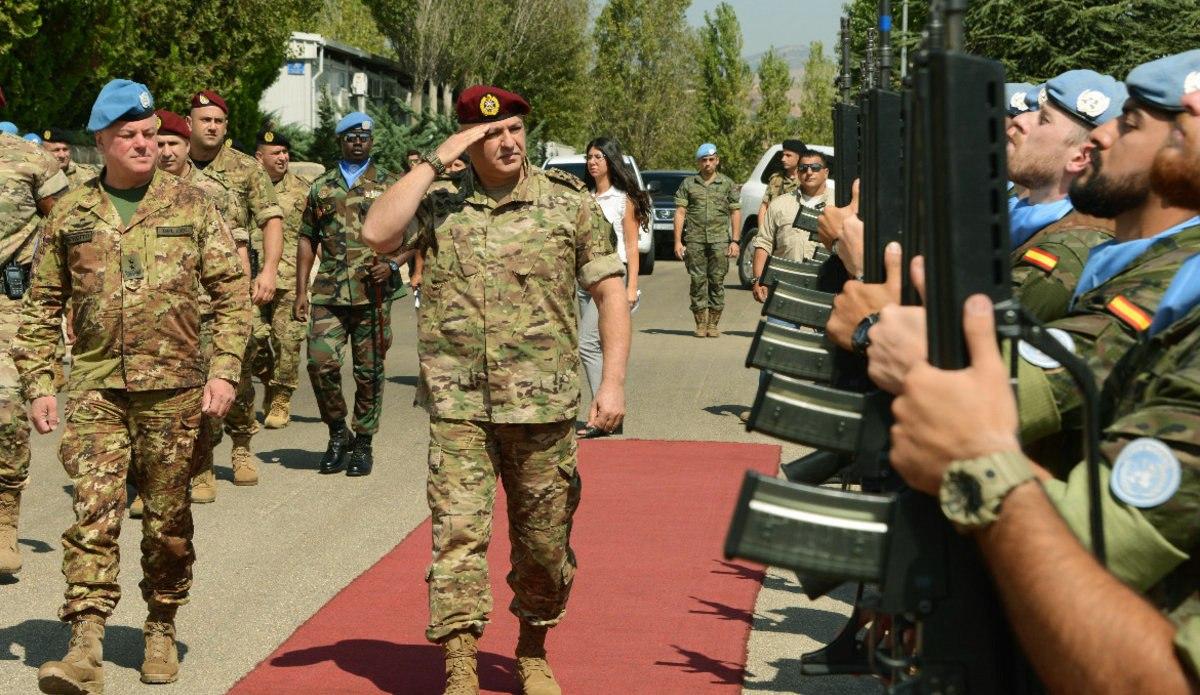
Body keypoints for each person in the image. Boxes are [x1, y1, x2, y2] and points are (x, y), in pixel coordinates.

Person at [360, 84, 630, 695]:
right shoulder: (440, 205)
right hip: (460, 406)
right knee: (457, 536)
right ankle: (459, 660)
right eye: (490, 134)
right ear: (468, 141)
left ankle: (532, 646)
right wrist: (437, 159)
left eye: (514, 129)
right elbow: (377, 233)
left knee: (543, 542)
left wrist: (610, 384)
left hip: (543, 406)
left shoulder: (569, 205)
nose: (507, 142)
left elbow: (610, 293)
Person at [12, 79, 249, 693]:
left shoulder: (192, 205)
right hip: (95, 388)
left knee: (167, 523)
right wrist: (41, 380)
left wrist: (223, 370)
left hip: (174, 390)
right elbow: (41, 305)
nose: (145, 144)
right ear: (101, 142)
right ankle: (85, 641)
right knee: (93, 511)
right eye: (130, 136)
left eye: (149, 134)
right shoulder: (70, 213)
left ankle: (161, 623)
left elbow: (232, 295)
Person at [294, 111, 406, 477]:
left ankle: (364, 442)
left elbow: (416, 233)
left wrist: (391, 263)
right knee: (319, 363)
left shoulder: (392, 184)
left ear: (372, 141)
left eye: (364, 137)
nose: (357, 142)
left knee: (369, 372)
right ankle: (337, 431)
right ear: (340, 141)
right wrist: (300, 291)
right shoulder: (322, 187)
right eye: (350, 137)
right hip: (328, 291)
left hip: (372, 292)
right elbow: (307, 237)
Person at [187, 89, 284, 498]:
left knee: (238, 377)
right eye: (205, 119)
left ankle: (242, 447)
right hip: (184, 297)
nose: (212, 126)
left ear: (226, 127)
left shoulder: (246, 169)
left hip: (232, 293)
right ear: (189, 123)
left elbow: (271, 218)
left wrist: (268, 270)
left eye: (218, 121)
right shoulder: (168, 166)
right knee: (192, 380)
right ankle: (201, 462)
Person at [0, 91, 68, 576]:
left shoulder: (29, 159)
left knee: (5, 412)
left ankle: (5, 520)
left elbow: (69, 223)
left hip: (10, 305)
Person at [1005, 71, 1125, 322]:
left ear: (1080, 158)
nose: (1020, 120)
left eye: (1044, 119)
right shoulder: (1030, 221)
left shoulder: (1064, 252)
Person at [575, 136, 646, 438]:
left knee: (587, 345)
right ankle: (608, 415)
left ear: (611, 161)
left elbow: (631, 247)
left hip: (612, 281)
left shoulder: (623, 199)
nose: (592, 162)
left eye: (599, 157)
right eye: (589, 157)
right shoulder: (584, 197)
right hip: (584, 281)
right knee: (600, 349)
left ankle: (603, 416)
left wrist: (631, 288)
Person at [253, 128, 310, 429]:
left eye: (286, 153)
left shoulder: (302, 190)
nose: (283, 157)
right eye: (276, 153)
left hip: (289, 278)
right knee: (253, 340)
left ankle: (281, 398)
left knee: (288, 341)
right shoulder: (245, 187)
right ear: (258, 157)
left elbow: (315, 235)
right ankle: (267, 380)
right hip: (250, 277)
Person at [673, 143, 741, 337]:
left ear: (717, 160)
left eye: (711, 160)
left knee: (717, 280)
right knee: (697, 281)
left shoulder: (727, 184)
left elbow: (735, 212)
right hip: (694, 240)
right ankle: (700, 323)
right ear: (699, 162)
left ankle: (713, 323)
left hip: (720, 240)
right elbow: (680, 212)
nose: (708, 164)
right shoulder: (688, 184)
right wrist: (678, 241)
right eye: (704, 160)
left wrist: (735, 241)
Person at [750, 147, 835, 303]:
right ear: (798, 172)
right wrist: (758, 279)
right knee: (778, 327)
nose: (809, 172)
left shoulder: (839, 205)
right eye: (803, 168)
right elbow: (764, 243)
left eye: (815, 168)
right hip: (784, 287)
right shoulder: (779, 204)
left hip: (826, 288)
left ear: (826, 172)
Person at [756, 138, 806, 224]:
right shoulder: (776, 179)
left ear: (799, 158)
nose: (783, 159)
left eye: (788, 155)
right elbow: (764, 206)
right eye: (783, 155)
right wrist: (761, 231)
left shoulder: (807, 181)